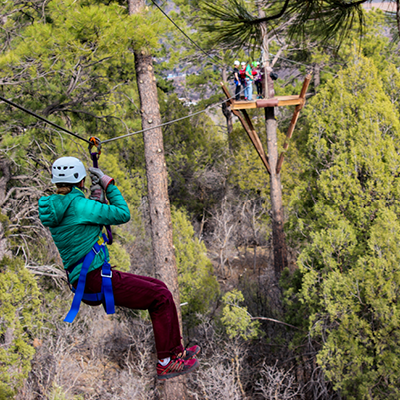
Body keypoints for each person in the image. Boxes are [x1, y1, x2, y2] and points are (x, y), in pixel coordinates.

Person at [38, 156, 200, 381]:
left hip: (87, 279)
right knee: (160, 297)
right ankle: (166, 362)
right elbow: (122, 213)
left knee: (160, 287)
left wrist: (95, 195)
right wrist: (108, 183)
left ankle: (175, 352)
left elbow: (82, 217)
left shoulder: (57, 207)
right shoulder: (80, 206)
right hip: (94, 278)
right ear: (80, 181)